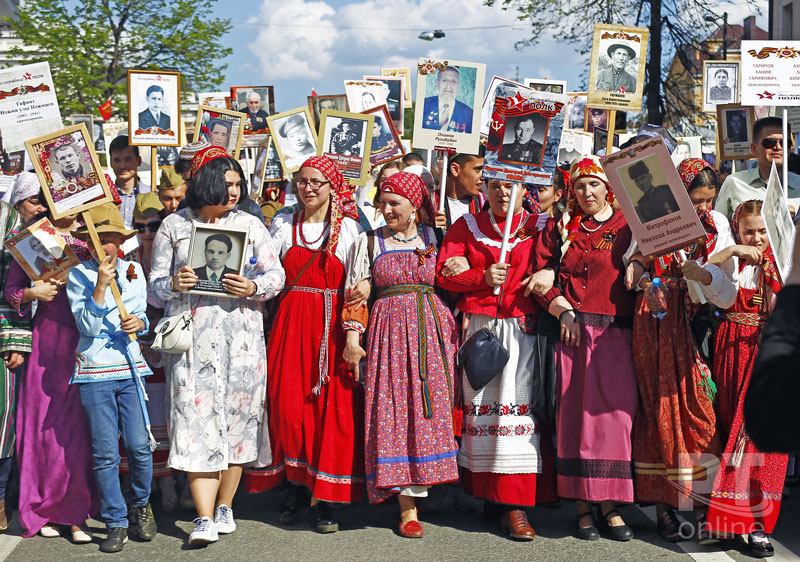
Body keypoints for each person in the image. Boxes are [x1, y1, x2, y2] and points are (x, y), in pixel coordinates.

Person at [150, 146, 285, 546]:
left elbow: (276, 273)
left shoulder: (250, 223)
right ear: (204, 180)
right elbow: (155, 285)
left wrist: (254, 286)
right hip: (194, 343)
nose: (233, 190)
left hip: (242, 340)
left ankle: (225, 506)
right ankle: (204, 518)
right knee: (195, 422)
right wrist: (174, 284)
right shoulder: (174, 225)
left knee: (239, 421)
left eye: (238, 184)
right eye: (226, 183)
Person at [242, 156, 364, 534]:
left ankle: (323, 498)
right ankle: (294, 484)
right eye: (301, 181)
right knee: (288, 408)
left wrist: (351, 336)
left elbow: (357, 289)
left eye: (316, 182)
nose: (307, 188)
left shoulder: (350, 231)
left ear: (332, 186)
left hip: (330, 327)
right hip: (290, 325)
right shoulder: (281, 224)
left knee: (330, 412)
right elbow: (261, 272)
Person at [435, 177, 558, 541]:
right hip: (481, 330)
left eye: (512, 186)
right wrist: (481, 276)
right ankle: (490, 494)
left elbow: (557, 268)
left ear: (526, 190)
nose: (503, 193)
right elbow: (444, 274)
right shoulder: (468, 226)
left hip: (523, 331)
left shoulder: (541, 227)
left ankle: (514, 505)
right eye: (496, 185)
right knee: (483, 416)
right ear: (484, 188)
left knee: (517, 419)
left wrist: (547, 271)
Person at [343, 172, 459, 538]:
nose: (387, 210)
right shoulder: (369, 242)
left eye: (395, 203)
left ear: (414, 207)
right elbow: (356, 301)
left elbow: (455, 281)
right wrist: (352, 338)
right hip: (389, 334)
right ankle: (406, 508)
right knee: (393, 411)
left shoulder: (436, 237)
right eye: (383, 203)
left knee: (428, 410)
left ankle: (429, 485)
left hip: (432, 332)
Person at [627, 158, 737, 543]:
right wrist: (642, 279)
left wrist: (706, 272)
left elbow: (726, 281)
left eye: (710, 199)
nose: (705, 207)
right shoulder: (653, 216)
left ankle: (701, 501)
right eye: (698, 199)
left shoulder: (717, 225)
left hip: (695, 321)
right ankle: (663, 507)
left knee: (700, 411)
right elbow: (635, 262)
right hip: (656, 318)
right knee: (660, 408)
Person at [534, 156, 638, 541]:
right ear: (571, 190)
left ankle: (610, 505)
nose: (587, 192)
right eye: (579, 186)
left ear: (607, 187)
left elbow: (645, 262)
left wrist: (640, 269)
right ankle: (581, 508)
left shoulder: (628, 224)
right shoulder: (560, 227)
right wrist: (563, 313)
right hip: (573, 334)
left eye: (593, 184)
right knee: (576, 422)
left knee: (615, 420)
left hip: (617, 335)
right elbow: (542, 280)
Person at [66, 203, 156, 553]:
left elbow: (141, 315)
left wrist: (140, 324)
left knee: (138, 446)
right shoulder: (79, 275)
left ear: (121, 240)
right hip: (94, 372)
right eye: (95, 239)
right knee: (105, 452)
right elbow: (86, 326)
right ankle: (115, 519)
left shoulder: (134, 269)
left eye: (109, 239)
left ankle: (140, 505)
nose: (102, 246)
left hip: (131, 367)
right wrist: (101, 287)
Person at [5, 208, 97, 543]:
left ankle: (76, 512)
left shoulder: (91, 236)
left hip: (85, 340)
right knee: (43, 428)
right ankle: (43, 508)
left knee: (77, 431)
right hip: (45, 344)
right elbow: (12, 289)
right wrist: (32, 294)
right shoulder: (31, 239)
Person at [703, 200, 787, 557]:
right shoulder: (733, 266)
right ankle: (730, 519)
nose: (757, 238)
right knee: (730, 433)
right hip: (731, 353)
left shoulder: (783, 265)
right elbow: (704, 270)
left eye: (762, 230)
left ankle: (757, 524)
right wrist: (733, 250)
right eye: (749, 231)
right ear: (737, 231)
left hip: (770, 356)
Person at [127, 193, 178, 512]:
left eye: (154, 225)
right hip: (132, 340)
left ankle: (169, 479)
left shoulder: (170, 255)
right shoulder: (127, 257)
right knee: (137, 413)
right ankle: (136, 480)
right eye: (140, 226)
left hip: (166, 339)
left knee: (163, 413)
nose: (147, 233)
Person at [0, 201, 30, 532]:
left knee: (2, 421)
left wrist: (13, 339)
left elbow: (12, 279)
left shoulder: (6, 216)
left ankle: (0, 500)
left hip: (0, 333)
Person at [716, 117, 800, 219]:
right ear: (754, 148)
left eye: (784, 143)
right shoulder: (734, 183)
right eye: (770, 142)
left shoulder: (798, 185)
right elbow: (719, 228)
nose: (778, 147)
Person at [434, 148, 487, 228]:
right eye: (478, 169)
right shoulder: (429, 203)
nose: (483, 176)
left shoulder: (484, 203)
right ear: (455, 169)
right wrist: (429, 230)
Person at [109, 135, 151, 229]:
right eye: (117, 160)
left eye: (128, 159)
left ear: (138, 161)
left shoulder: (152, 194)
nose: (122, 165)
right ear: (111, 162)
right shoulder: (106, 198)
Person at [422, 66, 473, 133]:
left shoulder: (470, 114)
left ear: (458, 85)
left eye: (453, 81)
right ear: (437, 83)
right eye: (444, 80)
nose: (449, 85)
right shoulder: (423, 105)